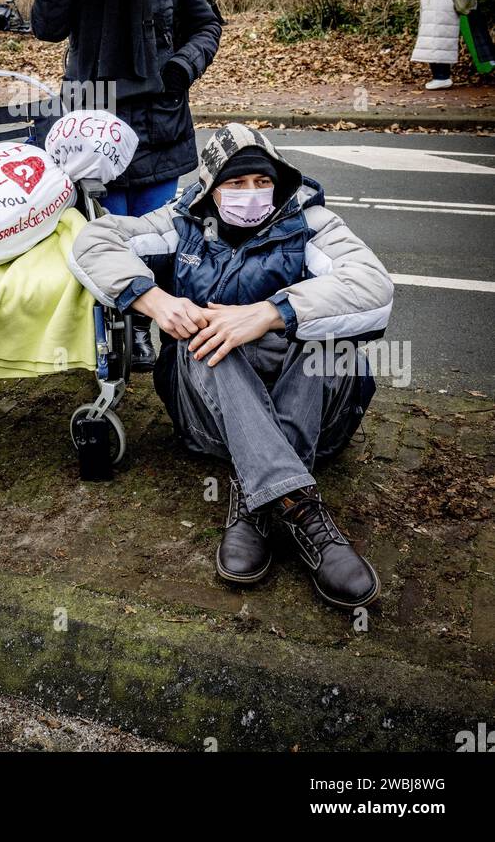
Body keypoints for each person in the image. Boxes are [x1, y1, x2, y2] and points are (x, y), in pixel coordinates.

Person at [69, 122, 393, 609]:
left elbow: (373, 286)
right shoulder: (179, 224)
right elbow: (93, 241)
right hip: (211, 416)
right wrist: (154, 300)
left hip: (318, 416)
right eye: (235, 183)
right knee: (205, 334)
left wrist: (271, 313)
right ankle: (302, 510)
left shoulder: (312, 223)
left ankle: (257, 497)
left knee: (327, 335)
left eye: (262, 182)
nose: (251, 193)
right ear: (210, 189)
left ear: (279, 183)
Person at [31, 0, 221, 370]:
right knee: (104, 239)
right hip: (93, 129)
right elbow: (47, 28)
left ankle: (141, 332)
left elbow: (207, 25)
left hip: (160, 121)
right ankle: (106, 334)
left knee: (157, 238)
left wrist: (182, 67)